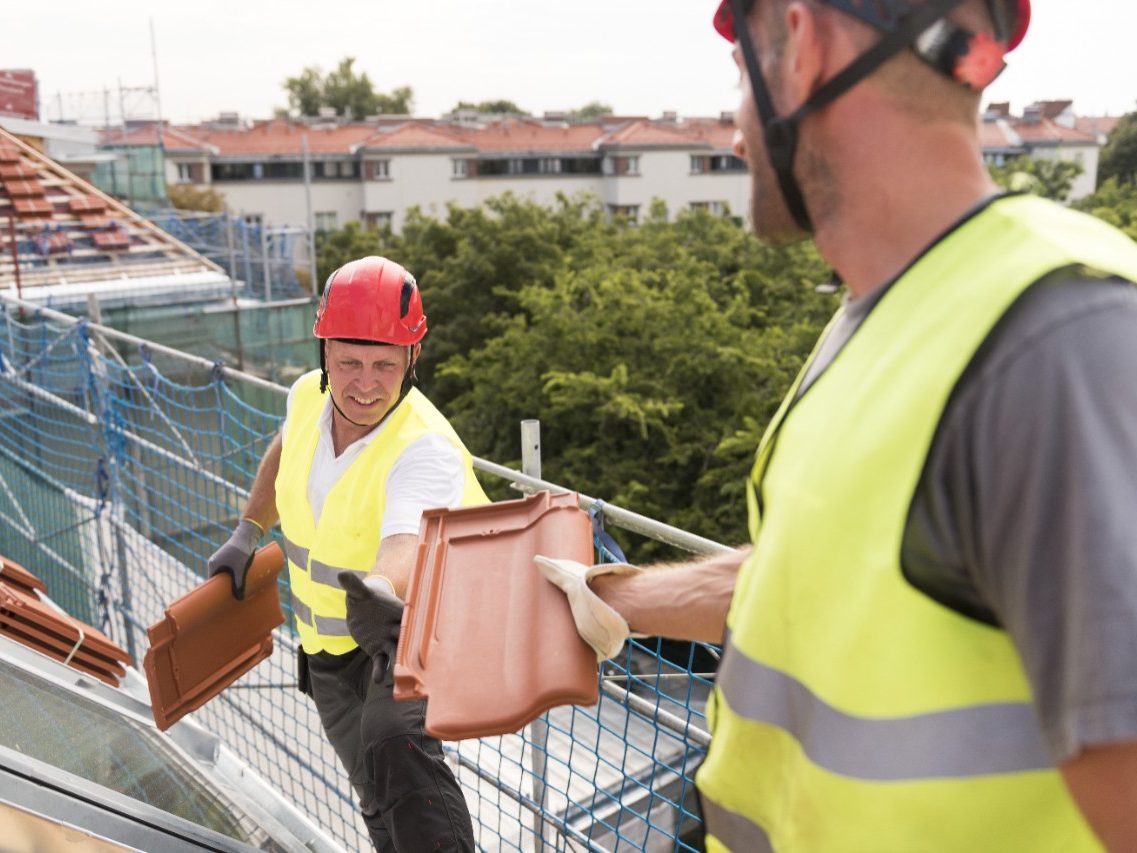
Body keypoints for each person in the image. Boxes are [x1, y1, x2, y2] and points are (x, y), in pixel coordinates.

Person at [537, 1, 1137, 849]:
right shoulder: (895, 310)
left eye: (740, 75)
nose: (735, 126)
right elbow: (831, 575)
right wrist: (612, 596)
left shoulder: (1056, 342)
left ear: (803, 40)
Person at [208, 255, 485, 852]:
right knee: (372, 791)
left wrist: (379, 590)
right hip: (330, 647)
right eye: (348, 362)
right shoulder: (310, 395)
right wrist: (247, 531)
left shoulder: (424, 448)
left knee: (396, 745)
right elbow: (287, 444)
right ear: (323, 352)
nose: (364, 384)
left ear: (414, 358)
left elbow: (405, 541)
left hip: (410, 626)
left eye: (385, 365)